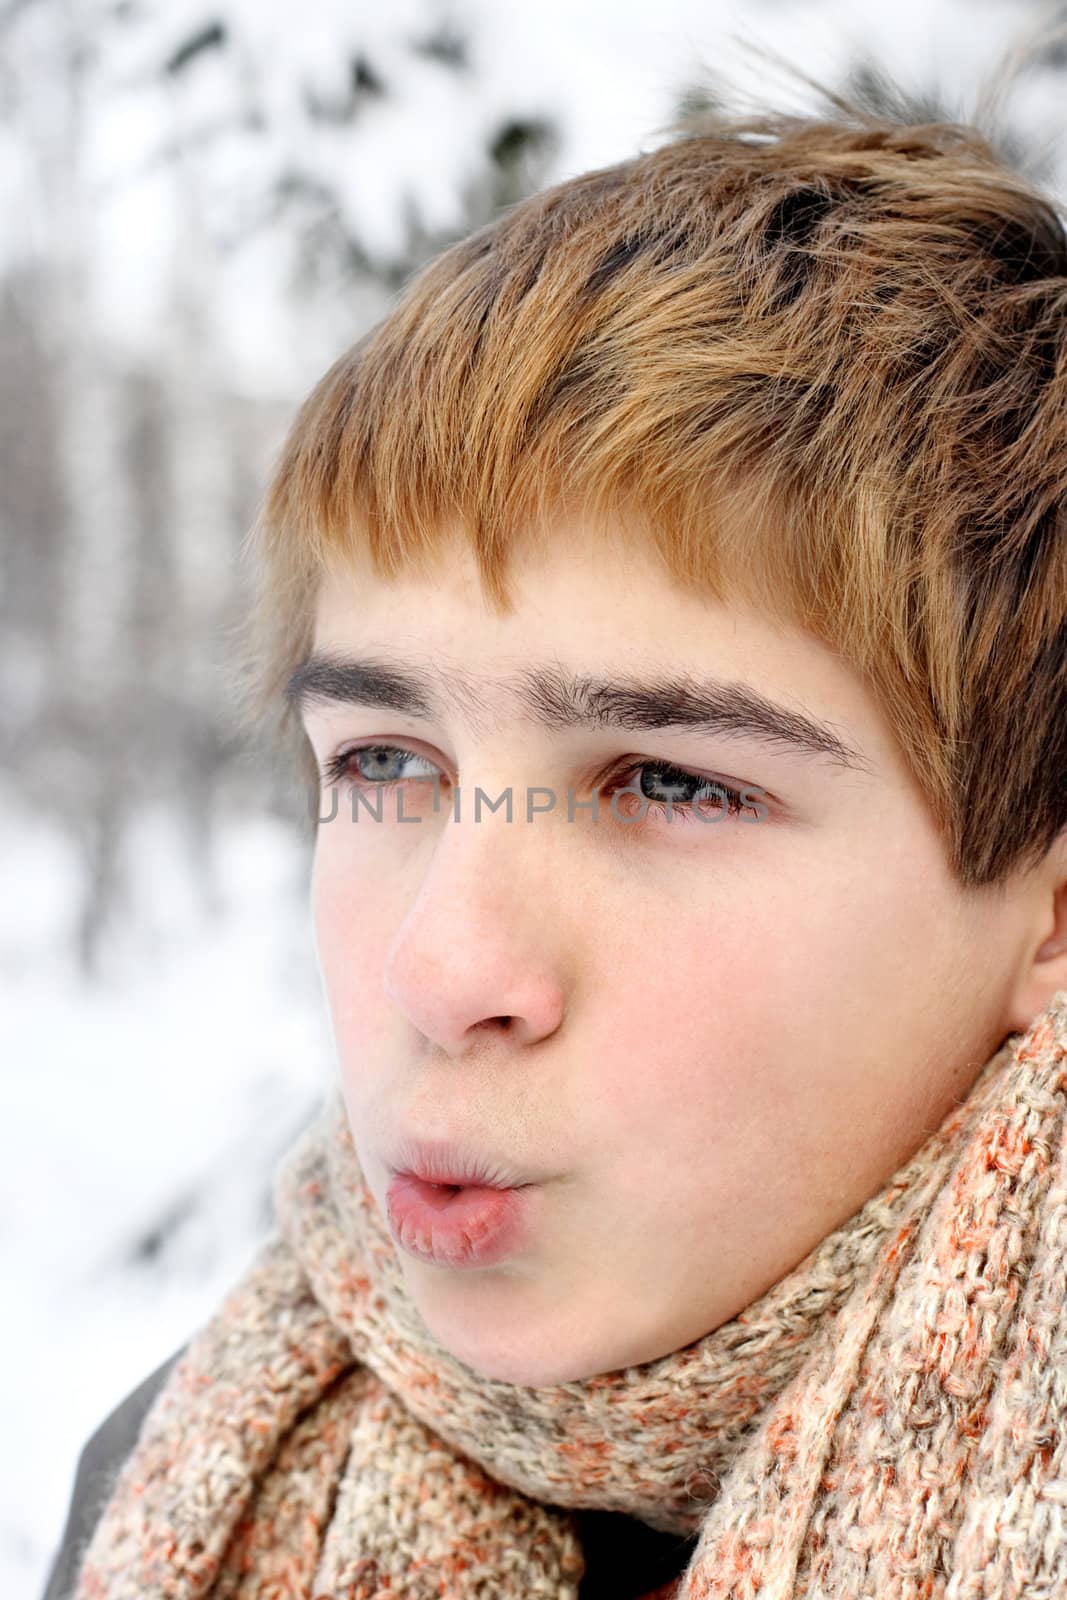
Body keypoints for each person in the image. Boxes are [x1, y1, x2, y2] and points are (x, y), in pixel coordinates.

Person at [43, 48, 1067, 1600]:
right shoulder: (193, 1481)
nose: (439, 970)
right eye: (386, 764)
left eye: (670, 782)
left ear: (1049, 916)